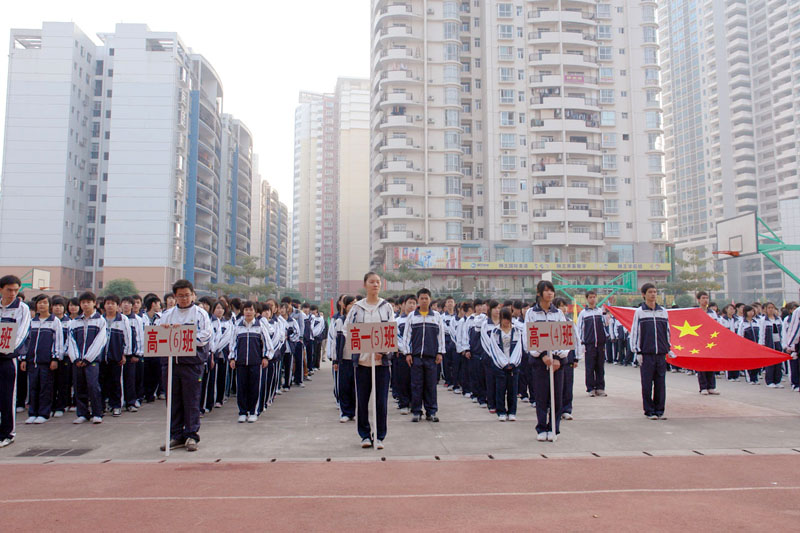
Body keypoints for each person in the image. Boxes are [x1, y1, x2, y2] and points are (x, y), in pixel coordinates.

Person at [157, 280, 213, 452]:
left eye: (187, 295)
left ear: (193, 295)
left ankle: (191, 435)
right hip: (171, 363)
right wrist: (167, 330)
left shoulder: (200, 314)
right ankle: (175, 435)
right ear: (174, 296)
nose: (183, 299)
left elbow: (206, 335)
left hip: (192, 364)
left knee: (191, 400)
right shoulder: (167, 314)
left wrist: (184, 337)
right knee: (173, 400)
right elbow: (157, 334)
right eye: (180, 296)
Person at [343, 272, 394, 449]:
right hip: (363, 363)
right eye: (372, 282)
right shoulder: (357, 308)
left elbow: (390, 332)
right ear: (365, 285)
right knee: (363, 401)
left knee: (381, 401)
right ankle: (365, 435)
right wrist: (361, 344)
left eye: (378, 282)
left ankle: (380, 436)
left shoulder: (386, 307)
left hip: (381, 363)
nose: (375, 285)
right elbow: (347, 330)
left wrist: (383, 350)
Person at [524, 280, 568, 442]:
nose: (550, 293)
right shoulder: (531, 313)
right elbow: (528, 338)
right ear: (539, 293)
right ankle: (542, 427)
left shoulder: (558, 314)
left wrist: (557, 358)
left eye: (552, 291)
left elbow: (565, 337)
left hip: (557, 364)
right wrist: (542, 355)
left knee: (556, 397)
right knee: (541, 396)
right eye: (547, 290)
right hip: (539, 362)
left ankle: (554, 428)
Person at [402, 288, 444, 423]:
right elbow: (406, 336)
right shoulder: (412, 317)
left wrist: (440, 352)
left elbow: (440, 336)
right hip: (416, 358)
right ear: (418, 300)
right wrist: (407, 353)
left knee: (431, 385)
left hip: (431, 357)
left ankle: (431, 411)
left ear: (430, 299)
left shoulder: (436, 316)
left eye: (426, 298)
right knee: (416, 385)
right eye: (422, 298)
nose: (424, 300)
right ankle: (416, 411)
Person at [630, 283, 671, 420]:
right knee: (647, 383)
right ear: (643, 294)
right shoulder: (640, 312)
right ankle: (649, 410)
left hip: (660, 353)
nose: (653, 294)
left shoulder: (663, 312)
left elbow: (667, 332)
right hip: (646, 353)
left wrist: (668, 348)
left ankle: (659, 410)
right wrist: (637, 351)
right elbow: (635, 332)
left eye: (655, 291)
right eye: (650, 292)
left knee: (660, 383)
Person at [229, 301, 273, 423]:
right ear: (243, 311)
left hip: (256, 362)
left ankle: (253, 411)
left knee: (255, 387)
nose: (248, 312)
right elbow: (233, 344)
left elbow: (267, 343)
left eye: (251, 310)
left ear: (255, 312)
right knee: (241, 387)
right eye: (246, 310)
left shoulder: (260, 326)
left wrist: (266, 357)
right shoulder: (238, 326)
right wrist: (232, 358)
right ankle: (242, 412)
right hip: (241, 363)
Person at [67, 291, 107, 425]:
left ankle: (97, 413)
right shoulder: (75, 322)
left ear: (94, 304)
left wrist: (87, 358)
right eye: (83, 302)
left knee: (93, 386)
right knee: (79, 386)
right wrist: (76, 358)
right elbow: (71, 341)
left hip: (92, 361)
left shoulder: (100, 321)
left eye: (88, 302)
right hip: (77, 361)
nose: (85, 305)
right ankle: (82, 413)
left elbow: (100, 341)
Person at [21, 295, 61, 424]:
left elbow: (58, 341)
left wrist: (55, 358)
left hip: (46, 362)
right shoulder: (32, 322)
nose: (42, 305)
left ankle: (44, 413)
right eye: (39, 303)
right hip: (32, 361)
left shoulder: (54, 321)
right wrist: (23, 358)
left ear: (49, 305)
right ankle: (32, 412)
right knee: (33, 387)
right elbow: (25, 341)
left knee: (45, 387)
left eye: (44, 303)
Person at [484, 307, 522, 421]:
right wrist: (504, 364)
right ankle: (501, 411)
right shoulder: (495, 332)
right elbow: (494, 349)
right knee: (500, 389)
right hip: (500, 366)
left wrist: (513, 363)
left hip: (514, 365)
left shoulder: (516, 331)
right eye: (504, 318)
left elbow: (518, 348)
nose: (506, 321)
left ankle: (512, 412)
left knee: (513, 390)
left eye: (508, 318)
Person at [100, 295, 131, 417]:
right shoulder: (100, 319)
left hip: (116, 356)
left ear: (118, 306)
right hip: (101, 357)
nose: (110, 306)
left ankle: (116, 405)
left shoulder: (122, 319)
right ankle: (101, 406)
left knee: (116, 382)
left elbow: (127, 338)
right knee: (101, 382)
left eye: (113, 303)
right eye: (107, 303)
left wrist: (125, 354)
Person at [577, 290, 607, 397]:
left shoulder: (600, 312)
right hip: (589, 344)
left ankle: (600, 387)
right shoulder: (583, 313)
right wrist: (581, 343)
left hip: (600, 344)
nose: (592, 299)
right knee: (590, 367)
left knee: (600, 366)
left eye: (594, 297)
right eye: (590, 297)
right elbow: (580, 329)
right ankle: (590, 388)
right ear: (587, 299)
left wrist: (605, 337)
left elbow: (605, 325)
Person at [556, 298, 580, 421]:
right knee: (556, 386)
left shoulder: (570, 322)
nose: (563, 308)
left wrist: (576, 357)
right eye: (560, 306)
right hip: (556, 358)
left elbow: (576, 340)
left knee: (567, 384)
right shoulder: (552, 322)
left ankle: (566, 409)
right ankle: (556, 409)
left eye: (564, 306)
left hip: (568, 358)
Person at [334, 296, 357, 422]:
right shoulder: (340, 321)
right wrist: (335, 360)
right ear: (345, 306)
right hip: (344, 357)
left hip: (357, 358)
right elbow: (336, 342)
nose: (353, 306)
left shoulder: (360, 320)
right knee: (344, 386)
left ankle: (353, 411)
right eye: (351, 304)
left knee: (356, 386)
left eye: (355, 304)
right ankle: (345, 412)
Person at [120, 296, 144, 411]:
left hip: (131, 354)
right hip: (118, 355)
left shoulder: (137, 319)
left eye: (129, 303)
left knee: (130, 379)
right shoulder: (117, 319)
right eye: (124, 302)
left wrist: (137, 354)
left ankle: (131, 402)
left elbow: (140, 337)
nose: (126, 305)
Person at [51, 296, 72, 417]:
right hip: (52, 357)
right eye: (55, 305)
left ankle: (61, 406)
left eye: (60, 305)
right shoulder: (51, 321)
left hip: (64, 357)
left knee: (63, 382)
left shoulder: (68, 322)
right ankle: (52, 405)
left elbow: (69, 340)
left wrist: (62, 352)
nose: (58, 308)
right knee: (51, 383)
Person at [394, 294, 416, 415]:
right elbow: (396, 338)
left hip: (416, 355)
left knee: (415, 381)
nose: (411, 305)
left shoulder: (418, 319)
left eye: (414, 303)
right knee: (403, 380)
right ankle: (403, 403)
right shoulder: (397, 321)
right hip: (402, 354)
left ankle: (415, 404)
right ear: (403, 305)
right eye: (409, 303)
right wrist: (405, 350)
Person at [695, 291, 719, 394]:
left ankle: (711, 386)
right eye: (703, 298)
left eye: (707, 298)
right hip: (699, 340)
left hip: (710, 341)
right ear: (699, 300)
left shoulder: (712, 313)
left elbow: (716, 326)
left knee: (711, 363)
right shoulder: (695, 312)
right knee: (701, 364)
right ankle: (703, 387)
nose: (706, 300)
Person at [759, 302, 784, 388]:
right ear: (765, 309)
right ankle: (769, 381)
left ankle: (777, 381)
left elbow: (782, 332)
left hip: (778, 343)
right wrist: (762, 344)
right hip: (768, 343)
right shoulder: (763, 320)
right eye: (769, 308)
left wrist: (783, 343)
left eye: (772, 308)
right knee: (770, 363)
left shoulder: (778, 319)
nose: (771, 309)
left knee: (778, 363)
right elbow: (761, 333)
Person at [737, 306, 761, 385]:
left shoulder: (756, 322)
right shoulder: (742, 323)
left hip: (756, 346)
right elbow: (740, 335)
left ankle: (755, 378)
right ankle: (749, 378)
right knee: (748, 362)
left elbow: (760, 334)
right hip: (747, 346)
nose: (751, 313)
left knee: (756, 362)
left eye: (752, 311)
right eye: (749, 311)